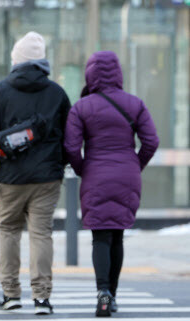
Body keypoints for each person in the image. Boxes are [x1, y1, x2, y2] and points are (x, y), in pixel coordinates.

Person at [0, 31, 71, 315]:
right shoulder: (57, 93)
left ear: (16, 60)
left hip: (11, 178)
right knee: (41, 233)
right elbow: (71, 136)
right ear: (42, 62)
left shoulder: (1, 91)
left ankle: (11, 293)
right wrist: (60, 162)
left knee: (8, 231)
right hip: (47, 179)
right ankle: (42, 297)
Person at [64, 51, 159, 317]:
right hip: (128, 174)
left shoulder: (81, 108)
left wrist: (84, 169)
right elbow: (151, 141)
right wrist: (135, 165)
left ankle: (102, 292)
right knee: (117, 234)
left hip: (95, 174)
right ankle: (112, 296)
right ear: (118, 73)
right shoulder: (135, 104)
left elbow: (71, 147)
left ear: (90, 73)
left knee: (100, 236)